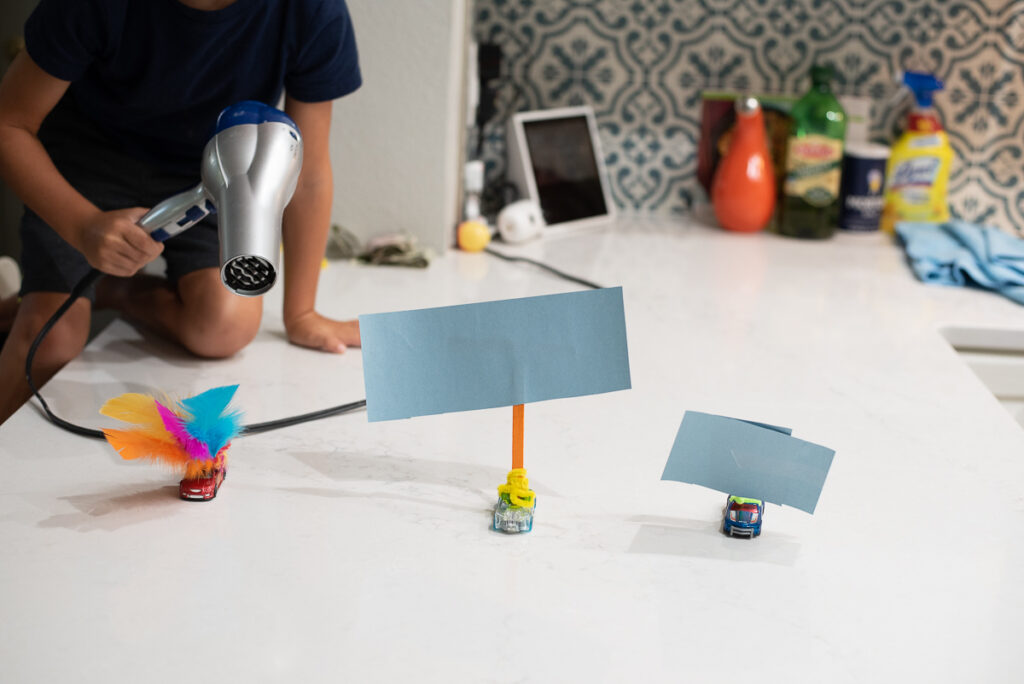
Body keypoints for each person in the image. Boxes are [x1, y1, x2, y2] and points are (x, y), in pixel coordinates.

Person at [0, 0, 363, 425]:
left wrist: (301, 313)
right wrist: (82, 227)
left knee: (226, 325)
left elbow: (309, 173)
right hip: (85, 168)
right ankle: (60, 295)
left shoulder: (312, 11)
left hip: (216, 172)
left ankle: (115, 291)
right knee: (53, 343)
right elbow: (10, 126)